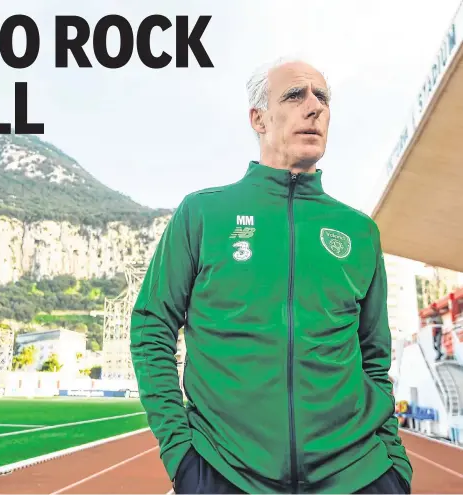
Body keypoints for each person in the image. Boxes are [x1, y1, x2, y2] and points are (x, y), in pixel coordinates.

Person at [129, 58, 413, 494]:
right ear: (258, 118)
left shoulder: (359, 231)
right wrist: (181, 454)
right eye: (295, 95)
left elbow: (374, 356)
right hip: (223, 472)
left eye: (323, 97)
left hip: (360, 475)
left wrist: (394, 466)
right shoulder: (204, 213)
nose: (314, 106)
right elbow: (151, 326)